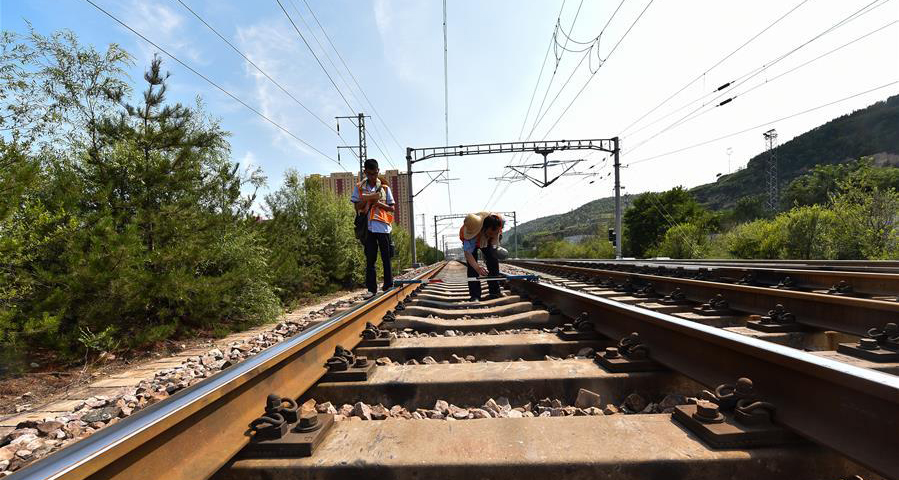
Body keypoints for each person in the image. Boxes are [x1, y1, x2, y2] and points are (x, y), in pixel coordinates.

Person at [351, 159, 396, 299]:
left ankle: (388, 285)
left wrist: (378, 204)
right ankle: (371, 289)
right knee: (370, 259)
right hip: (368, 228)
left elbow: (392, 208)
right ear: (365, 172)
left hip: (383, 227)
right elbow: (356, 206)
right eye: (369, 174)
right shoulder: (359, 187)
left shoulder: (385, 188)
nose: (372, 177)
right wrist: (366, 200)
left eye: (375, 173)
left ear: (378, 171)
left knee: (386, 258)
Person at [460, 212, 505, 301]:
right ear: (483, 229)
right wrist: (477, 267)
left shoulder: (497, 221)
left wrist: (496, 247)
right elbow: (468, 254)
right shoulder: (470, 234)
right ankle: (475, 296)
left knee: (493, 261)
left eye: (494, 233)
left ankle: (495, 292)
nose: (492, 235)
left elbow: (495, 241)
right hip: (475, 240)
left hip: (486, 239)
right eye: (490, 233)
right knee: (472, 267)